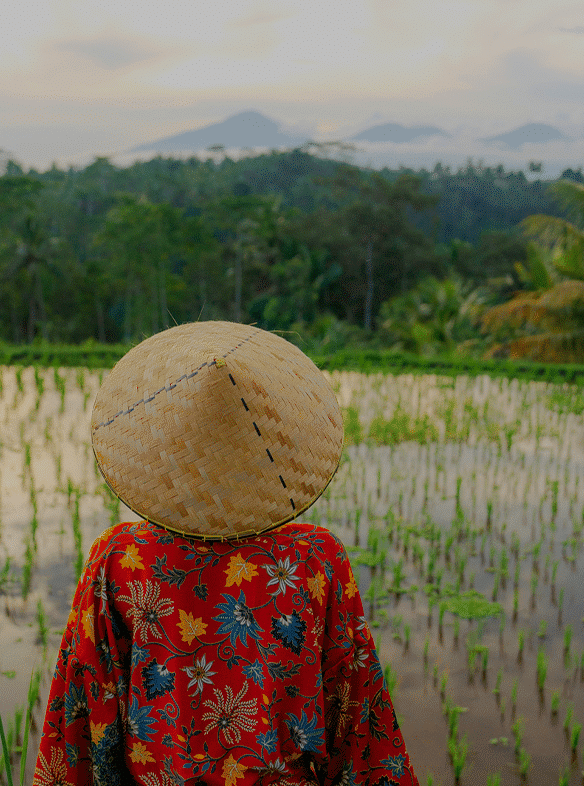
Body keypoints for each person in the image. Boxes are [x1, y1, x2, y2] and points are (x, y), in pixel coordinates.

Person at [34, 322, 418, 786]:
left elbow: (81, 718)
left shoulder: (119, 557)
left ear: (166, 448)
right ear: (275, 445)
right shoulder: (315, 557)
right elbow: (359, 720)